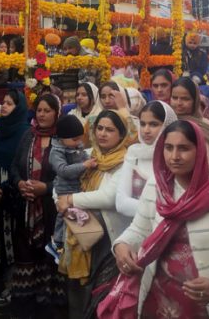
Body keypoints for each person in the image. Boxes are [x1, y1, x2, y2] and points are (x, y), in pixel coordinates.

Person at [102, 120, 209, 319]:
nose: (174, 157)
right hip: (159, 301)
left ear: (200, 150)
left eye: (184, 148)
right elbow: (140, 230)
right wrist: (122, 245)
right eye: (168, 148)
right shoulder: (157, 187)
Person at [55, 110, 133, 318]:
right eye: (99, 128)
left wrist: (70, 200)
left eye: (110, 130)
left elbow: (109, 197)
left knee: (101, 291)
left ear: (122, 134)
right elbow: (61, 182)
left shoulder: (126, 162)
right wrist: (60, 199)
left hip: (108, 237)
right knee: (77, 286)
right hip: (79, 229)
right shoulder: (87, 156)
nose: (103, 134)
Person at [9, 94, 66, 317]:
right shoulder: (27, 137)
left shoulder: (62, 140)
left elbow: (70, 178)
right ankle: (26, 302)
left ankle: (50, 304)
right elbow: (14, 166)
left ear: (56, 114)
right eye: (39, 110)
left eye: (47, 111)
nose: (41, 115)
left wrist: (47, 187)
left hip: (52, 212)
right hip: (26, 210)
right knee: (26, 254)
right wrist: (20, 183)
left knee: (50, 256)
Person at [0, 90, 30, 307]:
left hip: (13, 193)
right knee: (2, 240)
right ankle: (6, 282)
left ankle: (15, 286)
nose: (4, 107)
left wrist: (4, 187)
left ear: (19, 108)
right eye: (3, 102)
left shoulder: (24, 132)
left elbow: (23, 166)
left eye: (10, 104)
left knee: (15, 239)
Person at [115, 101, 178, 218]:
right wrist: (166, 211)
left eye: (153, 124)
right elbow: (121, 204)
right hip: (137, 231)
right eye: (143, 124)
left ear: (167, 125)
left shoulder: (175, 155)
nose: (146, 130)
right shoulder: (134, 153)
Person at [46, 114, 96, 262]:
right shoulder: (56, 152)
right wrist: (84, 166)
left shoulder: (76, 145)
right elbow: (63, 171)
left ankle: (66, 246)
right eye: (75, 139)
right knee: (63, 217)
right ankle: (56, 244)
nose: (79, 142)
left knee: (73, 219)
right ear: (62, 138)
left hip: (77, 188)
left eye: (80, 138)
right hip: (64, 189)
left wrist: (90, 160)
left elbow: (84, 157)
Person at [170, 77, 209, 172]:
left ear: (195, 101)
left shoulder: (205, 126)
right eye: (175, 98)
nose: (179, 103)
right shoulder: (169, 123)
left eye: (185, 99)